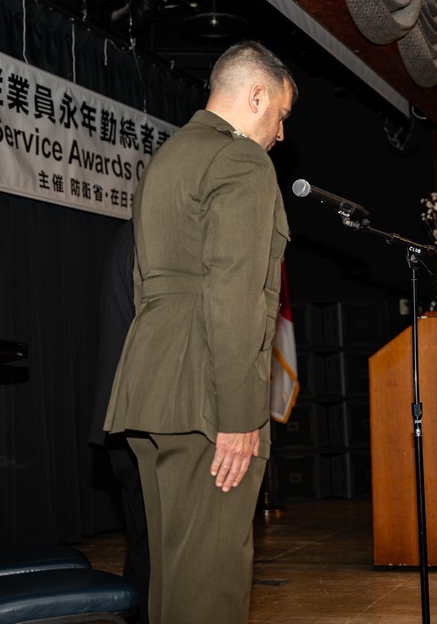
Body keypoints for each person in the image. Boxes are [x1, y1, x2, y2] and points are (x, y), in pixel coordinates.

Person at [104, 41, 296, 624]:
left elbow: (144, 286)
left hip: (150, 389)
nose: (280, 134)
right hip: (207, 400)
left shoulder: (168, 157)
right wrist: (238, 415)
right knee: (208, 587)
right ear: (256, 94)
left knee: (171, 580)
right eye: (280, 116)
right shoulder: (240, 160)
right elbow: (234, 293)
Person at [88, 219, 149, 624]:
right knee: (154, 544)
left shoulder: (129, 234)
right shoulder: (152, 238)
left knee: (145, 542)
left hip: (124, 414)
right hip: (144, 416)